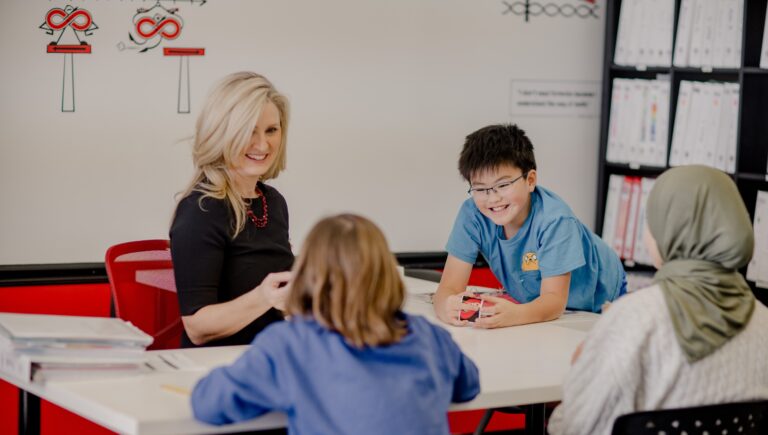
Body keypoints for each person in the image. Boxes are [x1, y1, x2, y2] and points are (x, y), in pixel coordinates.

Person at [191, 214, 481, 435]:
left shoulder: (290, 344)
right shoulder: (427, 335)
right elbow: (468, 385)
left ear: (307, 276)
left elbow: (210, 403)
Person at [548, 165, 768, 435]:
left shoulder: (634, 318)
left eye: (651, 221)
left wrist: (583, 368)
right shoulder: (763, 320)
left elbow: (571, 427)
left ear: (669, 231)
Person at [434, 124, 625, 328]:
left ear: (530, 180)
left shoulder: (555, 220)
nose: (493, 198)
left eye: (503, 185)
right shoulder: (472, 214)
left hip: (600, 296)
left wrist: (515, 314)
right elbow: (449, 287)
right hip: (536, 300)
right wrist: (447, 306)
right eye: (480, 189)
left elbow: (554, 301)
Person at [170, 72, 294, 347]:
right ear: (222, 134)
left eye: (271, 130)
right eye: (249, 130)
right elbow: (197, 328)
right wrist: (265, 297)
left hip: (269, 356)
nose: (263, 145)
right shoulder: (201, 210)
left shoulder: (271, 201)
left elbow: (280, 301)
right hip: (221, 368)